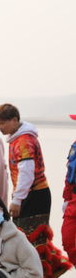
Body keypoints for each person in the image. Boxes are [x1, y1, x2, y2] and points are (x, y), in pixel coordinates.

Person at [0, 103, 70, 278]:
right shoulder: (20, 139)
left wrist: (17, 200)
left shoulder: (24, 141)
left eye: (3, 123)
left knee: (29, 239)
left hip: (33, 194)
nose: (1, 128)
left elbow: (26, 173)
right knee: (32, 237)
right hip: (35, 192)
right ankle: (49, 271)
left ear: (14, 120)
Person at [62, 114, 76, 265]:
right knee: (68, 241)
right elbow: (69, 174)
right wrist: (66, 198)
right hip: (73, 199)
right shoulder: (75, 145)